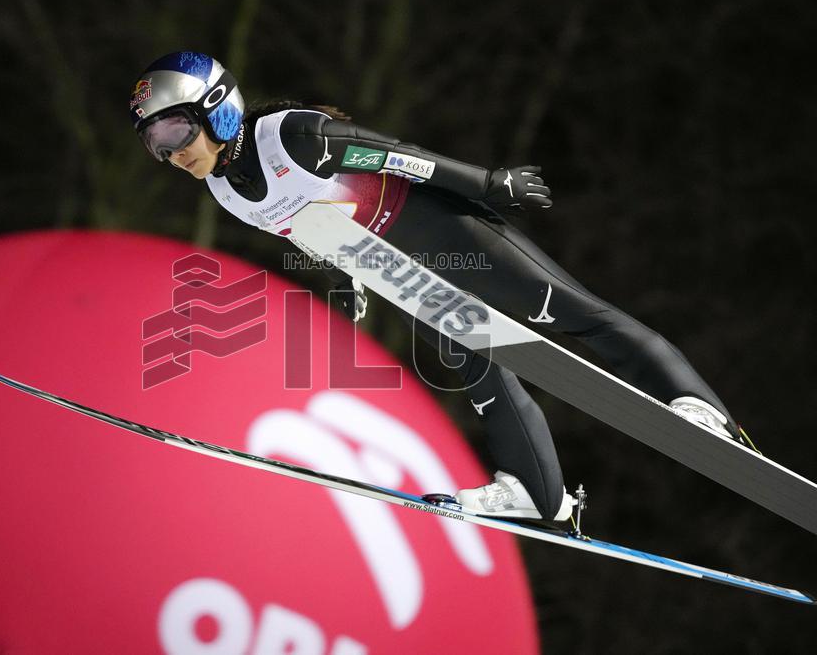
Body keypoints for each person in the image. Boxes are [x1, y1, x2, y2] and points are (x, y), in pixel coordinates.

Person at [129, 51, 755, 523]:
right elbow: (307, 228)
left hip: (448, 233)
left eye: (175, 131)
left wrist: (488, 183)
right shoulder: (225, 190)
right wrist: (355, 273)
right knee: (476, 368)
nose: (170, 152)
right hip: (400, 266)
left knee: (573, 315)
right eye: (155, 141)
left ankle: (698, 407)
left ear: (218, 108)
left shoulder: (293, 137)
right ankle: (538, 493)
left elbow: (398, 156)